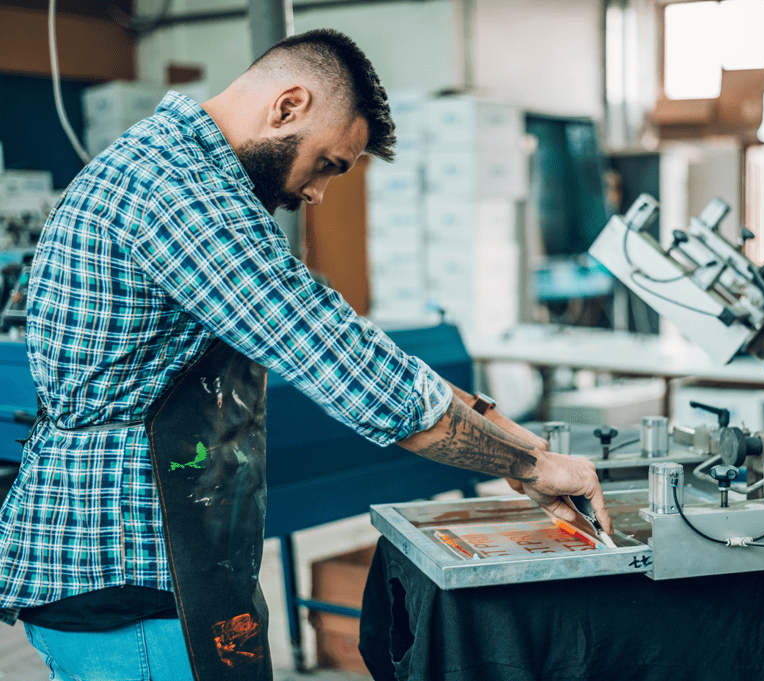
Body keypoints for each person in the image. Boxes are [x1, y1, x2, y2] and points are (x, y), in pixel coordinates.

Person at [0, 28, 610, 681]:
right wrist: (532, 465)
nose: (318, 193)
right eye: (328, 164)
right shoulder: (177, 190)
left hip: (164, 564)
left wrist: (524, 449)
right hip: (128, 570)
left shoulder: (173, 170)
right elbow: (351, 367)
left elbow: (345, 335)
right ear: (288, 106)